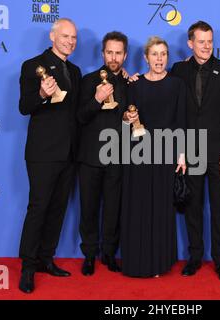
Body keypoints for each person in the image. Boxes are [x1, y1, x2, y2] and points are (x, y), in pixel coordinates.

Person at [171, 21, 220, 282]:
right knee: (193, 208)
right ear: (190, 43)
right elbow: (171, 105)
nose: (207, 45)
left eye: (210, 41)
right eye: (201, 41)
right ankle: (195, 257)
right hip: (189, 153)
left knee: (219, 209)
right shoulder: (178, 70)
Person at [18, 18, 81, 293]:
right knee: (39, 208)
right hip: (43, 153)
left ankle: (46, 259)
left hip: (69, 154)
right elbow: (23, 106)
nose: (70, 41)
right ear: (53, 36)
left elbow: (77, 113)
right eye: (65, 36)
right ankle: (28, 267)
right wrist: (42, 94)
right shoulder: (34, 66)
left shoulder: (75, 71)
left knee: (57, 210)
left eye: (74, 38)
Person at [121, 36, 186, 277]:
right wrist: (127, 119)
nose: (159, 59)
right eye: (155, 54)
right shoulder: (134, 86)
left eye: (163, 54)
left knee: (160, 209)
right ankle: (136, 262)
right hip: (137, 154)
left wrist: (181, 155)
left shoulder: (177, 85)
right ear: (146, 57)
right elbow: (127, 119)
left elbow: (182, 120)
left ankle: (159, 263)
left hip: (165, 154)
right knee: (138, 207)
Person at [77, 31, 129, 275]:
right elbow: (80, 117)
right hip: (89, 157)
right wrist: (97, 99)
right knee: (88, 208)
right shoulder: (87, 81)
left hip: (118, 157)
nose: (113, 57)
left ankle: (109, 253)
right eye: (109, 52)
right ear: (102, 53)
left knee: (113, 208)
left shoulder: (130, 84)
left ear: (125, 55)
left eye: (118, 53)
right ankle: (89, 255)